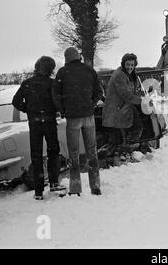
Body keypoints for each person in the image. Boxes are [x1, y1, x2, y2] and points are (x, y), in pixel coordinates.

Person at [12, 56, 66, 200]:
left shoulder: (27, 84)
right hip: (49, 121)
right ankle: (54, 182)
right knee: (53, 152)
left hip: (34, 123)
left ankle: (38, 191)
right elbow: (57, 101)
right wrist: (57, 109)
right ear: (51, 69)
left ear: (37, 67)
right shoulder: (52, 83)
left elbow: (16, 102)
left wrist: (28, 109)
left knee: (35, 155)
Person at [53, 47, 103, 196]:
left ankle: (75, 187)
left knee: (73, 153)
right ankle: (95, 186)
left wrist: (63, 110)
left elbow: (56, 95)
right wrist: (91, 104)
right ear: (79, 57)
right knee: (92, 151)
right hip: (88, 116)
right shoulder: (89, 70)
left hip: (72, 117)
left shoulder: (62, 72)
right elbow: (99, 91)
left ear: (66, 58)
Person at [102, 53, 145, 161]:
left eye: (132, 65)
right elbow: (125, 93)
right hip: (116, 108)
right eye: (128, 64)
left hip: (124, 106)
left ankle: (123, 150)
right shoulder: (119, 75)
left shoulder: (129, 74)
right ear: (123, 64)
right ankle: (118, 153)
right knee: (117, 133)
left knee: (129, 128)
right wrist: (140, 101)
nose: (130, 67)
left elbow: (132, 90)